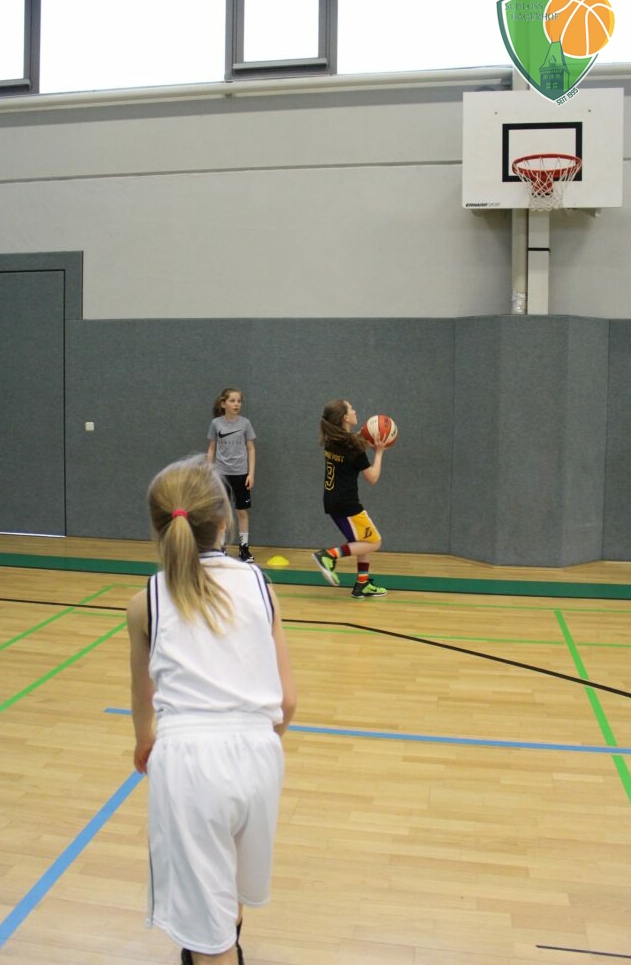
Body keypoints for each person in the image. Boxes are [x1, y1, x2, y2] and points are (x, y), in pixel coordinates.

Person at [127, 455, 296, 965]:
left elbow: (143, 694)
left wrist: (144, 741)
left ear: (158, 528)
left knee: (207, 937)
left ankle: (216, 949)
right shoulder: (261, 585)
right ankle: (227, 940)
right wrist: (255, 744)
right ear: (224, 520)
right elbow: (288, 701)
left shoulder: (146, 601)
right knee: (232, 881)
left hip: (190, 763)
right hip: (260, 754)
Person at [312, 398, 389, 598]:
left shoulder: (331, 440)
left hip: (331, 500)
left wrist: (363, 438)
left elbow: (349, 445)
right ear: (345, 417)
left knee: (362, 539)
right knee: (374, 541)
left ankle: (362, 584)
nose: (355, 411)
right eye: (351, 409)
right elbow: (372, 477)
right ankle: (329, 555)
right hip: (347, 504)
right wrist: (379, 453)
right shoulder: (353, 447)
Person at [206, 388, 256, 563]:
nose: (236, 404)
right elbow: (211, 449)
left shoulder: (245, 423)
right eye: (232, 401)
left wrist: (251, 473)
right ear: (223, 403)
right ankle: (220, 547)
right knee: (222, 514)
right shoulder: (216, 424)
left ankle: (244, 549)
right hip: (221, 474)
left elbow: (251, 449)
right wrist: (209, 472)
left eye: (239, 401)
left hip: (241, 474)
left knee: (241, 512)